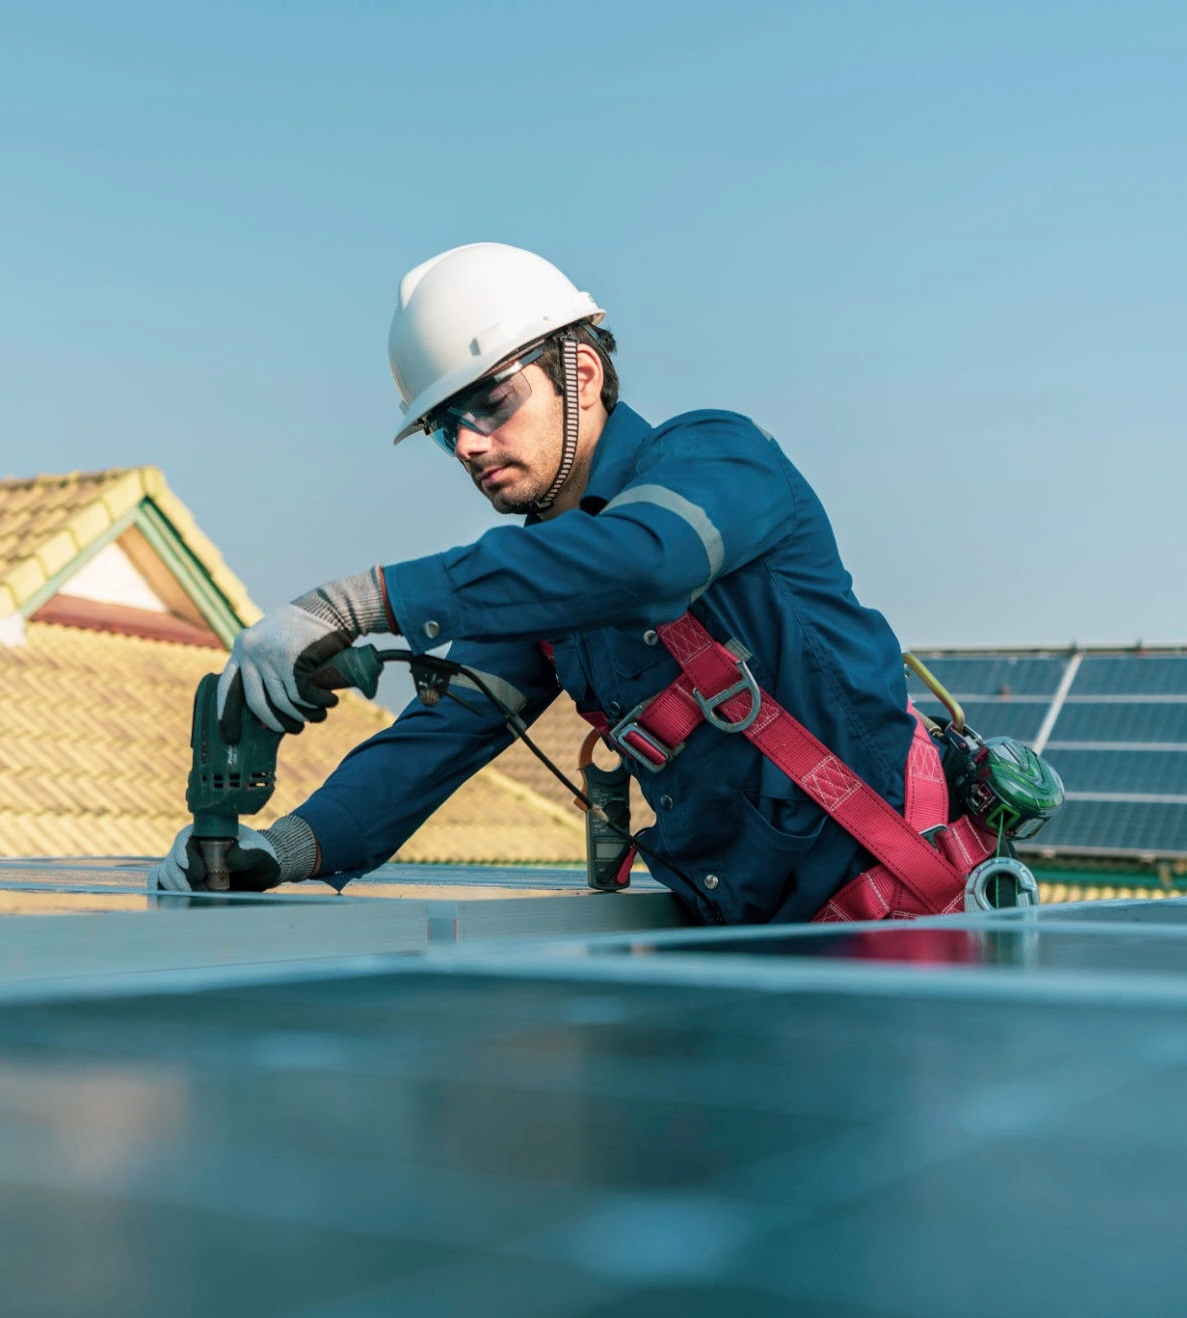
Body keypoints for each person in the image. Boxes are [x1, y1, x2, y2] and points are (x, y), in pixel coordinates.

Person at [153, 241, 949, 926]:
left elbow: (648, 562)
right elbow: (437, 742)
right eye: (443, 428)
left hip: (909, 927)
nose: (467, 444)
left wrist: (358, 603)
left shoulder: (720, 458)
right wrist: (280, 850)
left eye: (492, 403)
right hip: (753, 951)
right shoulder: (540, 591)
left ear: (586, 371)